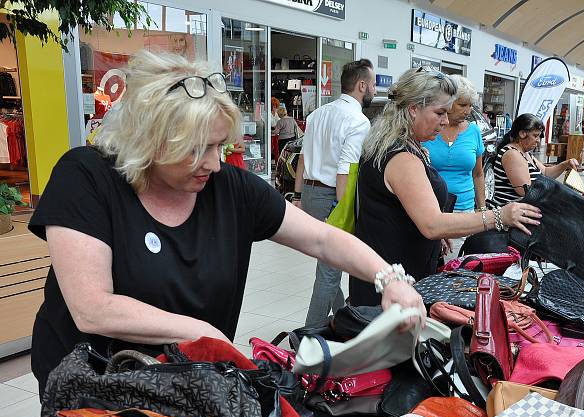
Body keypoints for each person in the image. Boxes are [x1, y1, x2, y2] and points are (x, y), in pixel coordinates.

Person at [27, 51, 423, 398]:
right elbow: (93, 308)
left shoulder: (229, 188)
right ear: (148, 139)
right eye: (197, 149)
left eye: (221, 146)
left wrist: (389, 279)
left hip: (187, 382)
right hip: (93, 389)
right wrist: (205, 334)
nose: (215, 163)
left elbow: (321, 238)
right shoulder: (87, 178)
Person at [350, 68, 540, 306]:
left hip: (392, 274)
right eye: (439, 112)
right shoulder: (401, 157)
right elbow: (432, 224)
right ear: (412, 109)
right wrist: (499, 216)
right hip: (393, 285)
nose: (445, 121)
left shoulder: (401, 145)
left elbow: (406, 212)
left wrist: (436, 238)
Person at [291, 59, 376, 326]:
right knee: (329, 272)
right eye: (372, 84)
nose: (374, 89)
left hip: (309, 192)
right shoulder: (359, 122)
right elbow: (345, 170)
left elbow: (302, 158)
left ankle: (343, 314)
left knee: (327, 264)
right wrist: (344, 209)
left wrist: (297, 196)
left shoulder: (318, 114)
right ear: (362, 85)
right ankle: (307, 336)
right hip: (332, 197)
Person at [422, 75, 485, 260]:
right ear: (448, 103)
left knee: (456, 268)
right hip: (430, 210)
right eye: (462, 105)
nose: (468, 110)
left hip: (463, 210)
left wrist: (481, 210)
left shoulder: (473, 131)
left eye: (470, 105)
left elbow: (478, 174)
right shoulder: (430, 128)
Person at [490, 114, 580, 206]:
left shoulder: (525, 153)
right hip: (510, 214)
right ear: (522, 134)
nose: (538, 140)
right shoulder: (512, 154)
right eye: (535, 136)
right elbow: (526, 190)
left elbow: (545, 173)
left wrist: (565, 164)